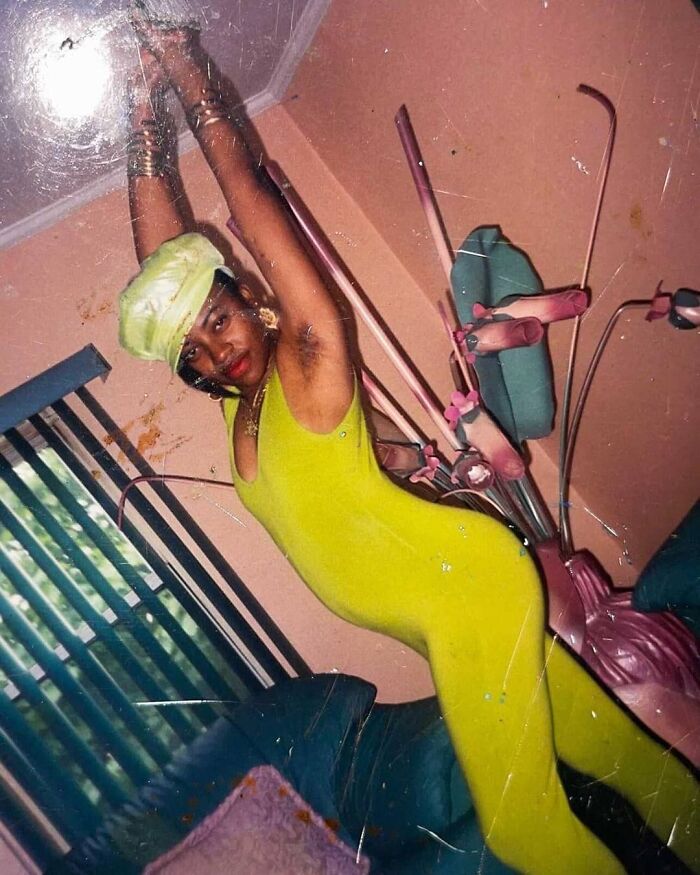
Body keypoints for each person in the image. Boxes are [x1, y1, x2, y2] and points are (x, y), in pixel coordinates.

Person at [118, 17, 698, 875]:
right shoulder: (243, 410)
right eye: (193, 351)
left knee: (522, 829)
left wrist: (185, 71)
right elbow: (163, 271)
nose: (214, 349)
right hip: (446, 606)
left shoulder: (307, 357)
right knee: (610, 749)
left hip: (467, 591)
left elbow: (246, 191)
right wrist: (139, 114)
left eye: (219, 317)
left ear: (249, 294)